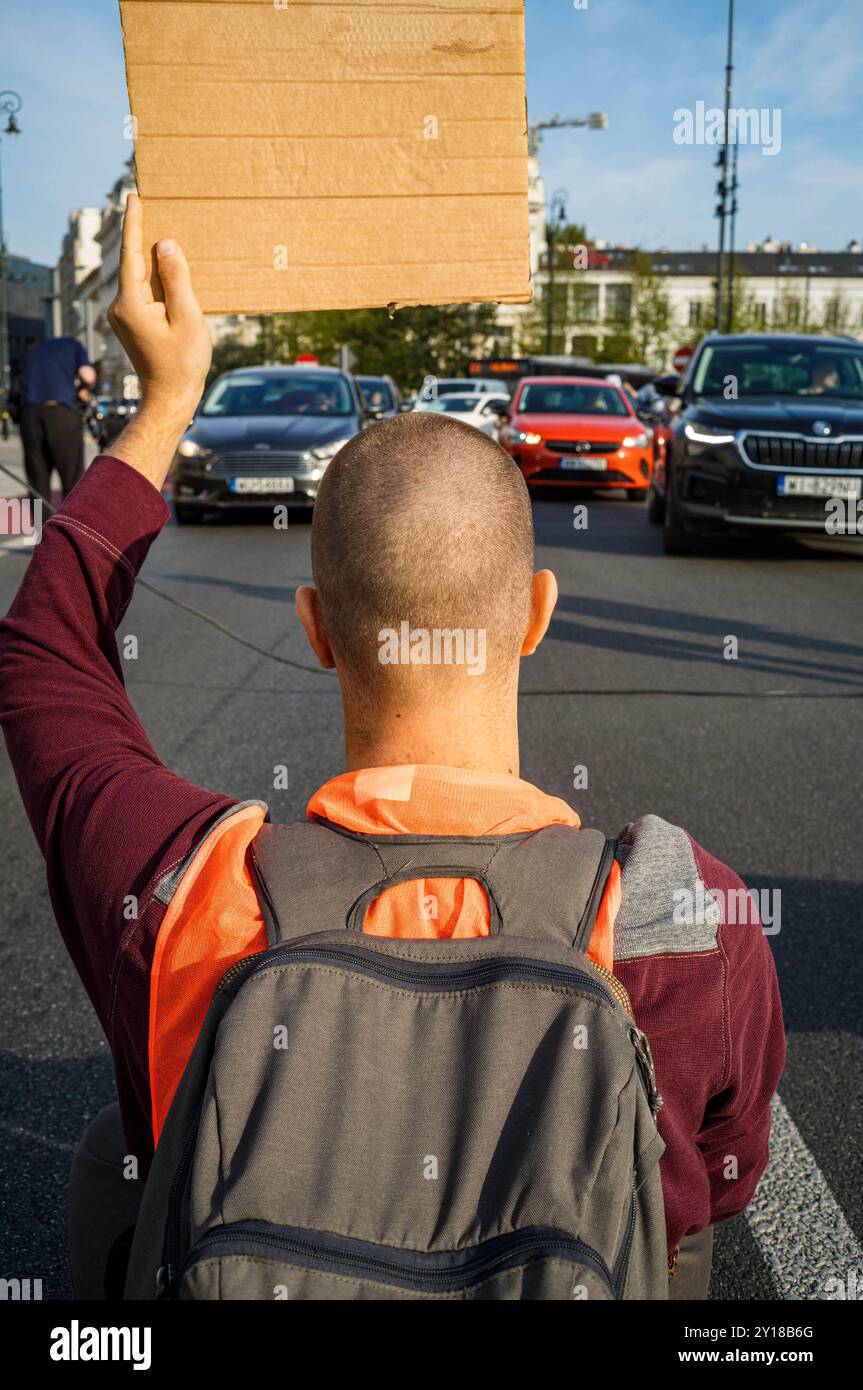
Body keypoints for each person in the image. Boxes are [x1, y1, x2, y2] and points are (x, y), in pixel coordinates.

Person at [0, 196, 785, 1300]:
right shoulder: (677, 908)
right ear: (537, 614)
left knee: (111, 1157)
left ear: (316, 627)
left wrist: (170, 393)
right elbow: (724, 1170)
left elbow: (43, 657)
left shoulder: (187, 890)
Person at [19, 335, 96, 503]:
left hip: (30, 414)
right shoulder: (74, 345)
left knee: (37, 479)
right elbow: (88, 376)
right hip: (61, 413)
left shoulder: (34, 348)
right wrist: (85, 389)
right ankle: (70, 526)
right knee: (72, 478)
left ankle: (40, 527)